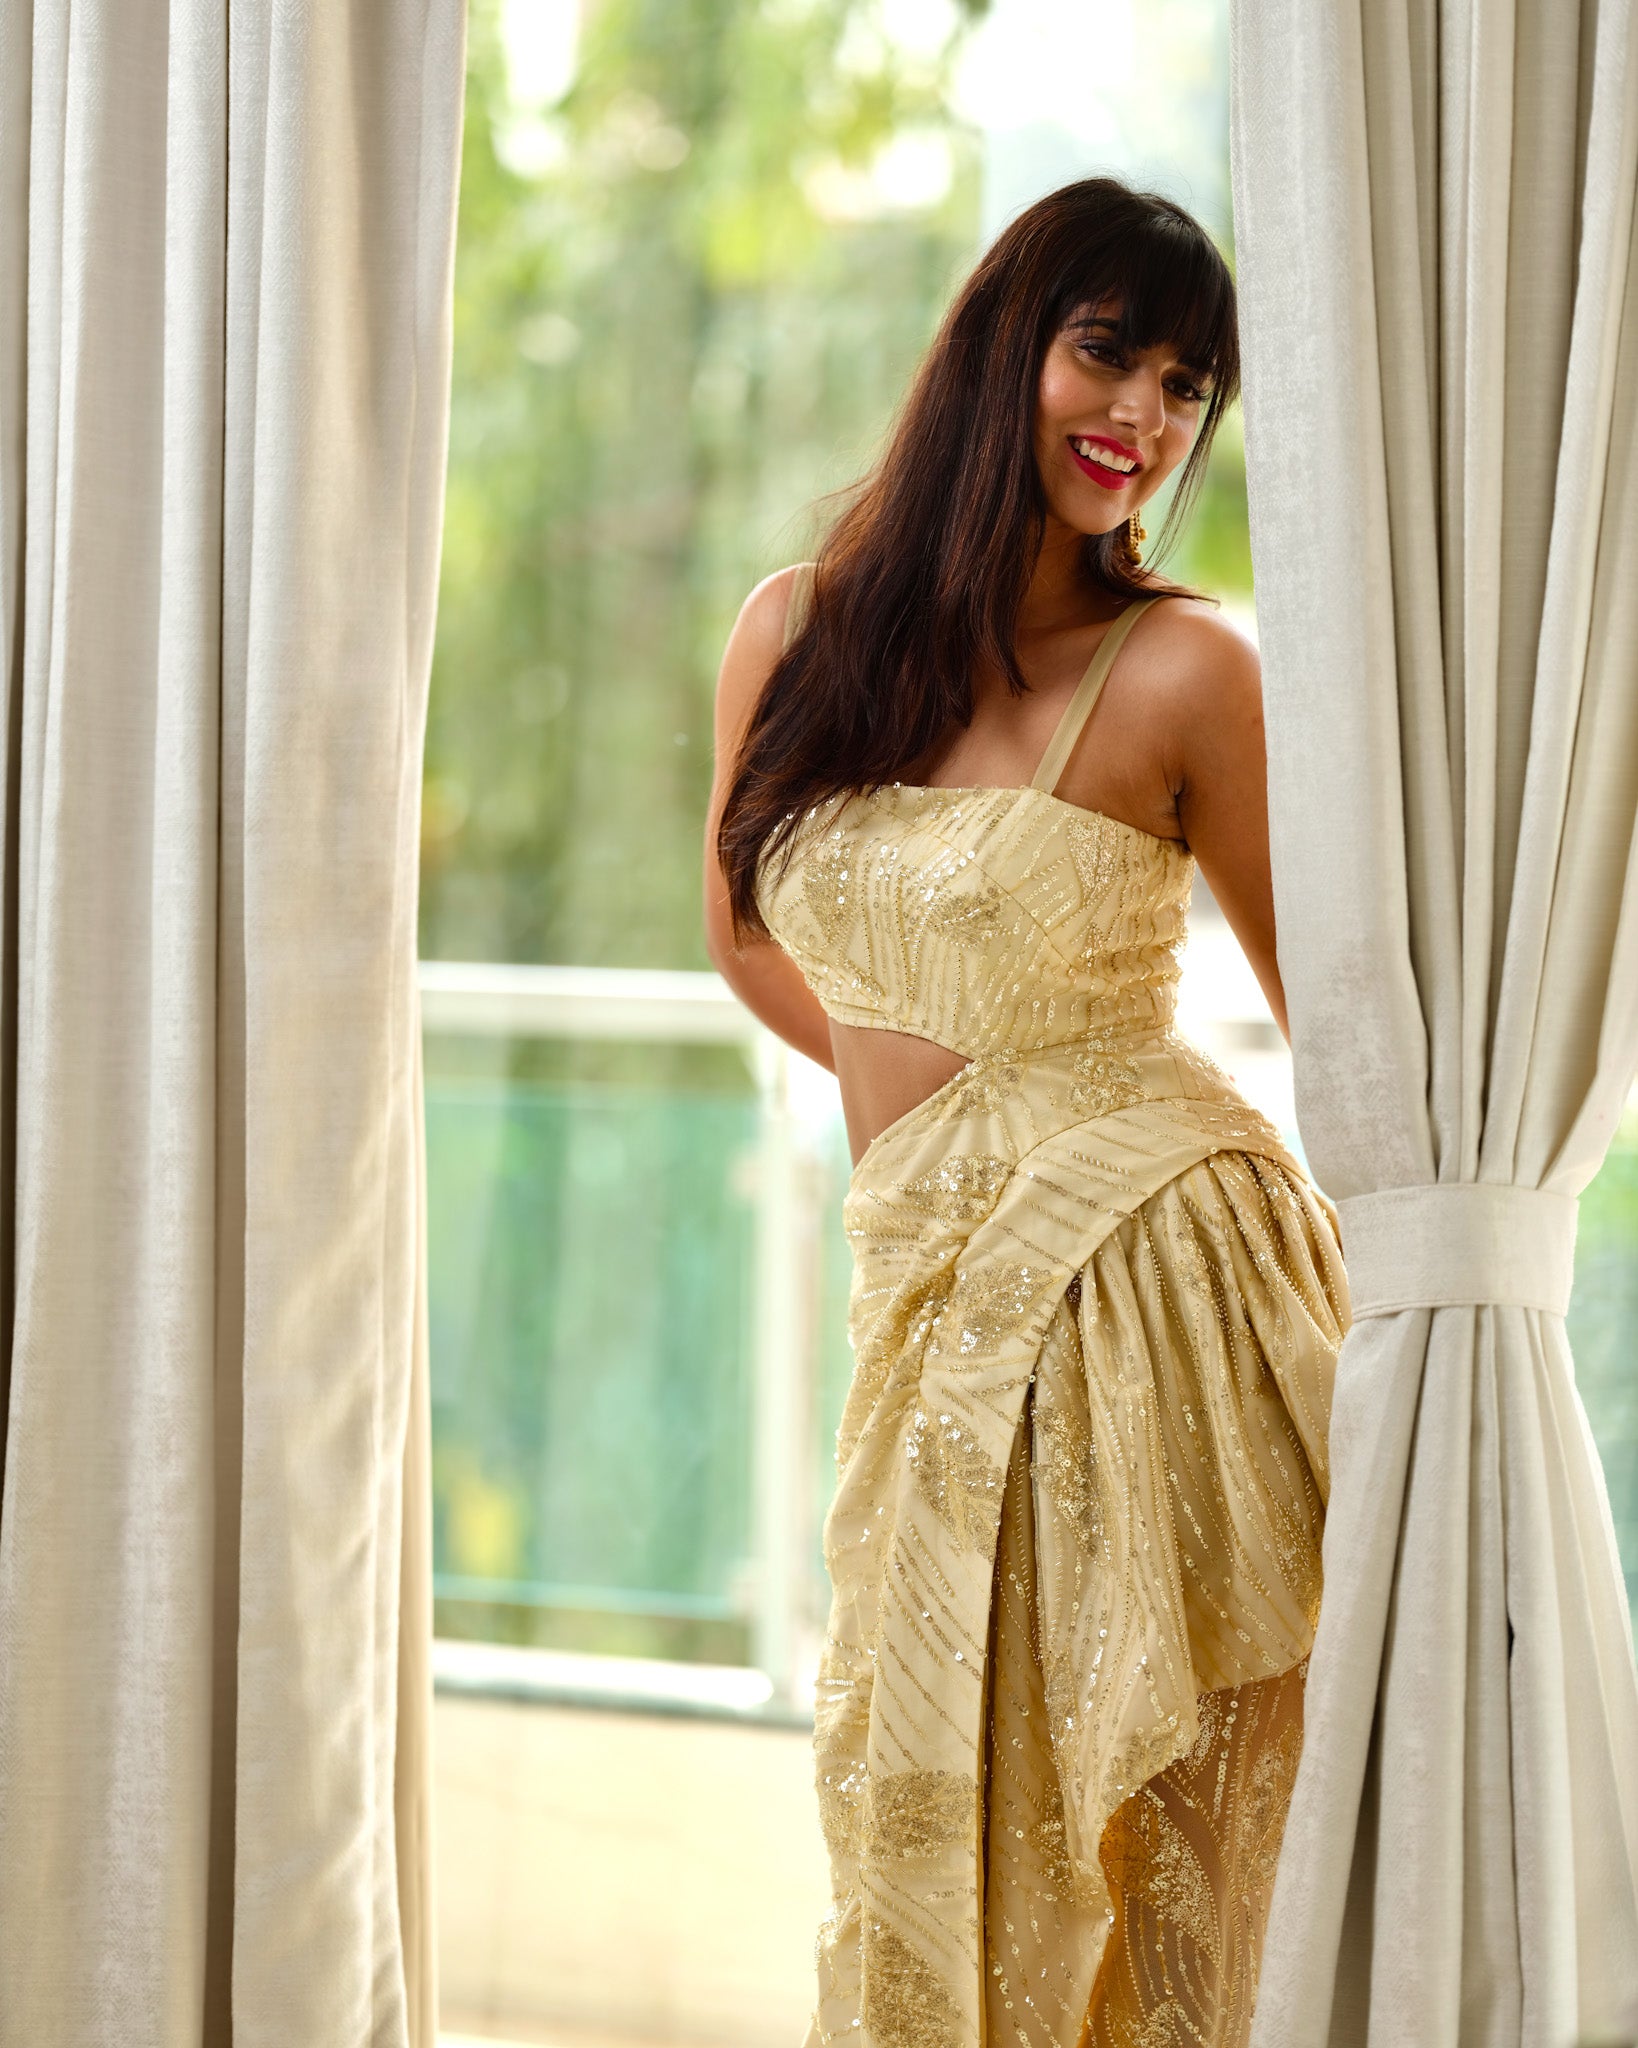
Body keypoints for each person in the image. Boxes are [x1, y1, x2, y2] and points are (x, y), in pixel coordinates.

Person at [702, 177, 1347, 2048]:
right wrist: (960, 1139)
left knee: (1154, 1847)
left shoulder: (1187, 672)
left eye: (1184, 384)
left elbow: (1349, 1030)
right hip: (930, 1296)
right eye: (1105, 351)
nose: (1141, 415)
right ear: (1003, 347)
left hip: (1156, 1298)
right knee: (920, 1801)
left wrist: (1051, 1140)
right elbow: (751, 942)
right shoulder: (796, 632)